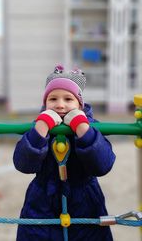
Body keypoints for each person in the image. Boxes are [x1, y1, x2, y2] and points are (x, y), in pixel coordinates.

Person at [13, 64, 116, 241]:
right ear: (45, 103)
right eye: (53, 99)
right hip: (42, 201)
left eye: (68, 99)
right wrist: (40, 129)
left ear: (80, 104)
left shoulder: (91, 126)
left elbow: (103, 165)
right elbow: (23, 163)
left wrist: (83, 130)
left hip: (84, 198)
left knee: (90, 234)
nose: (60, 105)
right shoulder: (39, 126)